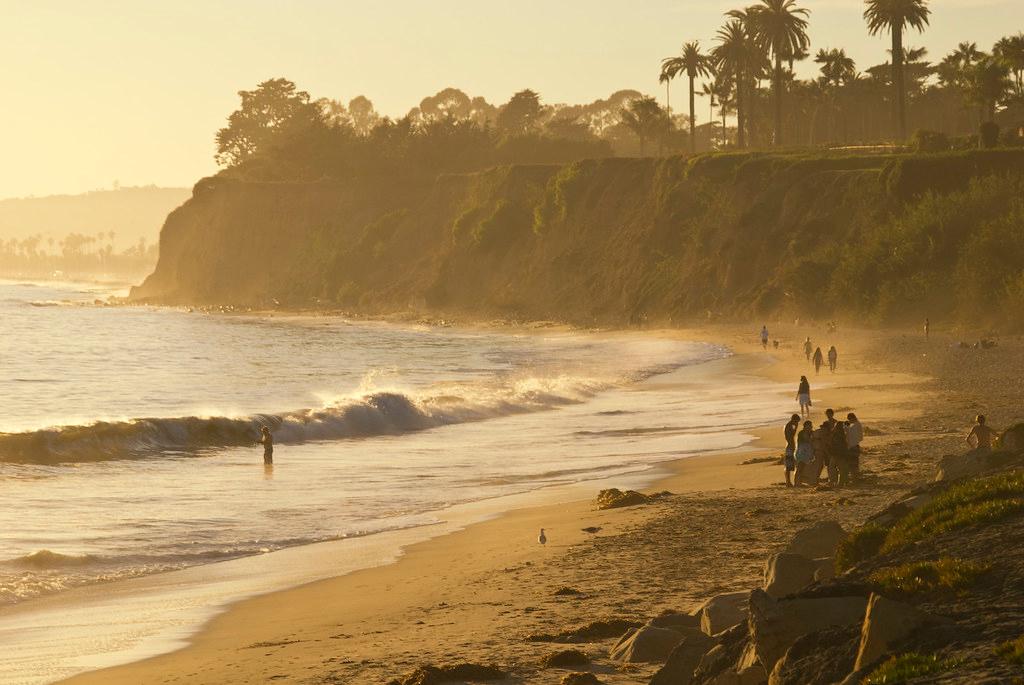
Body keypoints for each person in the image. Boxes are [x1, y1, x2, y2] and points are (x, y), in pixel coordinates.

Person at [831, 420, 851, 486]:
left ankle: (839, 483)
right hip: (840, 454)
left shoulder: (834, 434)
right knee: (842, 469)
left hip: (836, 454)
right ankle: (841, 483)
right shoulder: (840, 435)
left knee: (838, 469)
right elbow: (843, 445)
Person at [795, 420, 814, 486]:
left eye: (811, 426)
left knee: (805, 468)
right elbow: (807, 440)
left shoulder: (811, 432)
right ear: (805, 426)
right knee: (800, 467)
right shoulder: (802, 433)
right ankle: (796, 482)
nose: (811, 427)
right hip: (801, 452)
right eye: (809, 425)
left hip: (807, 452)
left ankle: (801, 482)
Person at [784, 414, 800, 487]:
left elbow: (791, 436)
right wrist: (792, 446)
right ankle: (788, 482)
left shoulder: (789, 426)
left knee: (789, 465)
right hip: (789, 447)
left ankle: (788, 482)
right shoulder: (788, 426)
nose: (797, 423)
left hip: (790, 446)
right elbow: (789, 437)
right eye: (796, 421)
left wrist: (795, 428)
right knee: (788, 466)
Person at [846, 413, 864, 480]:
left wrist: (846, 427)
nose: (849, 421)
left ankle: (854, 477)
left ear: (852, 418)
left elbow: (850, 436)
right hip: (855, 446)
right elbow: (860, 437)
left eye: (849, 419)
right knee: (855, 462)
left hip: (853, 447)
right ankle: (855, 477)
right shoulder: (857, 425)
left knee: (852, 463)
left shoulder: (855, 426)